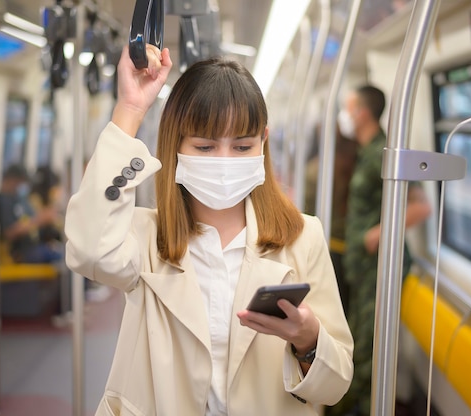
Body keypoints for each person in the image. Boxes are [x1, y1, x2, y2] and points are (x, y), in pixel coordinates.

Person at [64, 44, 354, 415]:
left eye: (242, 146)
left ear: (263, 142)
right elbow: (88, 250)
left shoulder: (303, 237)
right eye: (204, 147)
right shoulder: (145, 235)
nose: (223, 162)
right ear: (176, 145)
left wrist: (308, 341)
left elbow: (337, 382)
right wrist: (130, 110)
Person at [327, 85, 432, 416]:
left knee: (369, 353)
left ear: (362, 113)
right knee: (358, 342)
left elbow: (420, 206)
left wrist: (380, 232)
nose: (344, 115)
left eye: (349, 107)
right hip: (363, 269)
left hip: (379, 269)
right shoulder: (365, 150)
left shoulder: (384, 152)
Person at [303, 122, 358, 316]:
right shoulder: (356, 158)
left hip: (332, 243)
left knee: (334, 305)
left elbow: (307, 209)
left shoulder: (314, 169)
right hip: (355, 244)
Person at [0, 164, 62, 264]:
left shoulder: (19, 199)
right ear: (12, 180)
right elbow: (9, 232)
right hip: (19, 252)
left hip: (33, 246)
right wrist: (39, 220)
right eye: (21, 181)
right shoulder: (3, 201)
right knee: (63, 257)